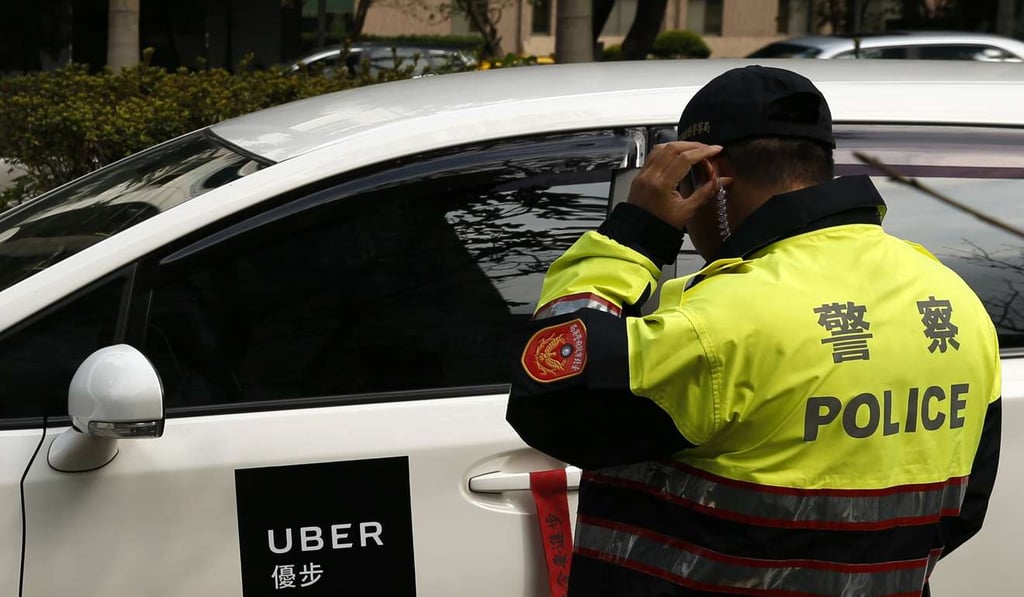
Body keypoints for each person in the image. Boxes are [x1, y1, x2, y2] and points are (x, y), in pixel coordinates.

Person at [506, 65, 1002, 597]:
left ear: (706, 178)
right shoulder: (954, 300)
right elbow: (962, 509)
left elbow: (550, 391)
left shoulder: (717, 323)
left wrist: (635, 235)